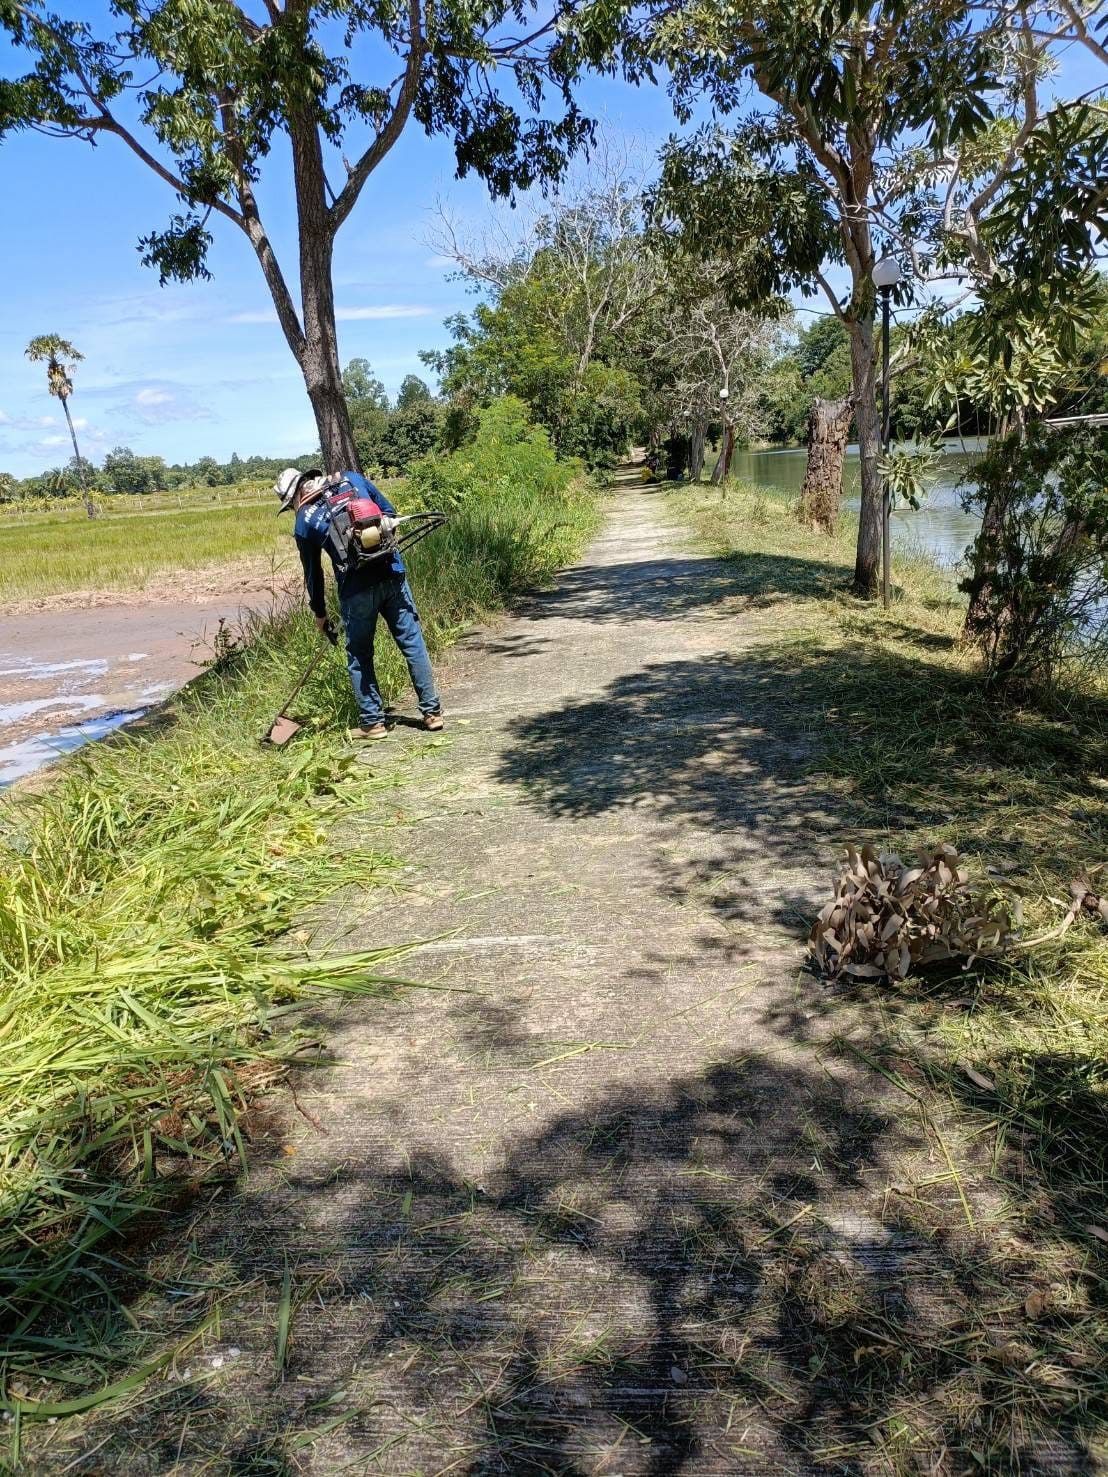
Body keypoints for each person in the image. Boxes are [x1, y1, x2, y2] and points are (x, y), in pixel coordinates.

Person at [274, 466, 443, 740]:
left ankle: (373, 723)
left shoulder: (303, 522)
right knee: (412, 643)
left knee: (359, 655)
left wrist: (319, 613)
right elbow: (389, 513)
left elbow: (313, 574)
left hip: (356, 589)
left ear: (294, 495)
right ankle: (432, 713)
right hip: (392, 573)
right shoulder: (351, 480)